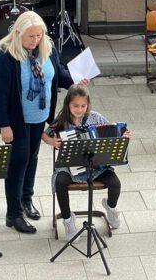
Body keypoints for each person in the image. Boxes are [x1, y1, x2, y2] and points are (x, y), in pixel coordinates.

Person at [0, 10, 77, 234]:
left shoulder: (47, 48)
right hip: (17, 120)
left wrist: (76, 81)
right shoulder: (5, 56)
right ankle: (14, 214)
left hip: (39, 115)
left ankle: (26, 199)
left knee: (32, 158)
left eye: (39, 35)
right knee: (18, 161)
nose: (35, 40)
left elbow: (56, 73)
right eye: (31, 37)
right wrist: (4, 125)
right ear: (18, 33)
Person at [43, 83, 128, 239]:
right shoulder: (62, 120)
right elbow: (45, 134)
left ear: (88, 104)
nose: (79, 109)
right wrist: (52, 142)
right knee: (60, 182)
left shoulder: (95, 117)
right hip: (70, 166)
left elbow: (113, 132)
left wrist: (123, 137)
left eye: (83, 106)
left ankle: (110, 207)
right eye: (75, 106)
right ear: (68, 103)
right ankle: (68, 221)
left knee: (115, 183)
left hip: (96, 166)